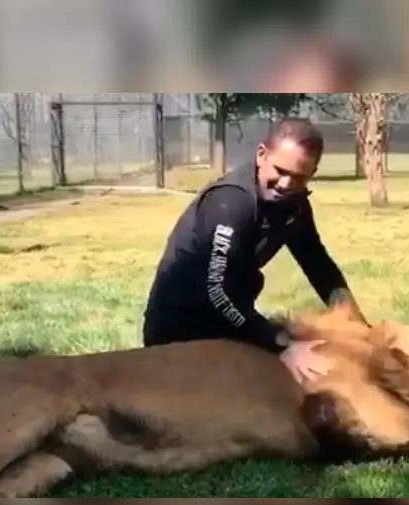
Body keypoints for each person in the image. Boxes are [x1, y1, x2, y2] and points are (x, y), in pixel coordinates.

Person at [141, 118, 365, 384]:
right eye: (280, 170)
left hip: (228, 320)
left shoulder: (295, 205)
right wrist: (279, 343)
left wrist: (359, 328)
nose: (286, 184)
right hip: (182, 327)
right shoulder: (231, 202)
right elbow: (216, 292)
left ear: (313, 173)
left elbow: (318, 264)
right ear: (261, 155)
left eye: (299, 176)